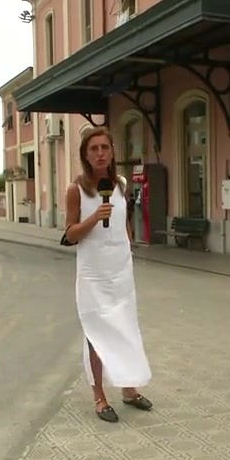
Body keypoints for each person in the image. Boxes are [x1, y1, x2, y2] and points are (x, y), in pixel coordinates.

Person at [63, 127, 153, 422]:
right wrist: (93, 218)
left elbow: (124, 222)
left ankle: (129, 389)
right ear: (85, 155)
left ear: (112, 151)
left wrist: (128, 247)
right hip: (93, 275)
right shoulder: (76, 189)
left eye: (104, 148)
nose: (100, 153)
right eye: (94, 149)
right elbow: (70, 234)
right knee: (96, 335)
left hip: (120, 271)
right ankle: (99, 397)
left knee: (126, 330)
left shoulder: (121, 185)